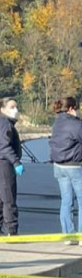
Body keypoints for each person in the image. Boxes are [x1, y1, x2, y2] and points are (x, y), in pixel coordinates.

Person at [0, 98, 23, 236]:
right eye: (12, 107)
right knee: (9, 198)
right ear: (2, 109)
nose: (16, 110)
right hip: (3, 164)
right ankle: (12, 230)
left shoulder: (2, 123)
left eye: (16, 106)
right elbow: (5, 146)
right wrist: (16, 162)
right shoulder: (4, 124)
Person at [49, 97, 82, 244]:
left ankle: (68, 235)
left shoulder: (57, 123)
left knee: (66, 201)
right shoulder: (76, 124)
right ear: (71, 108)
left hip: (59, 166)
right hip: (75, 166)